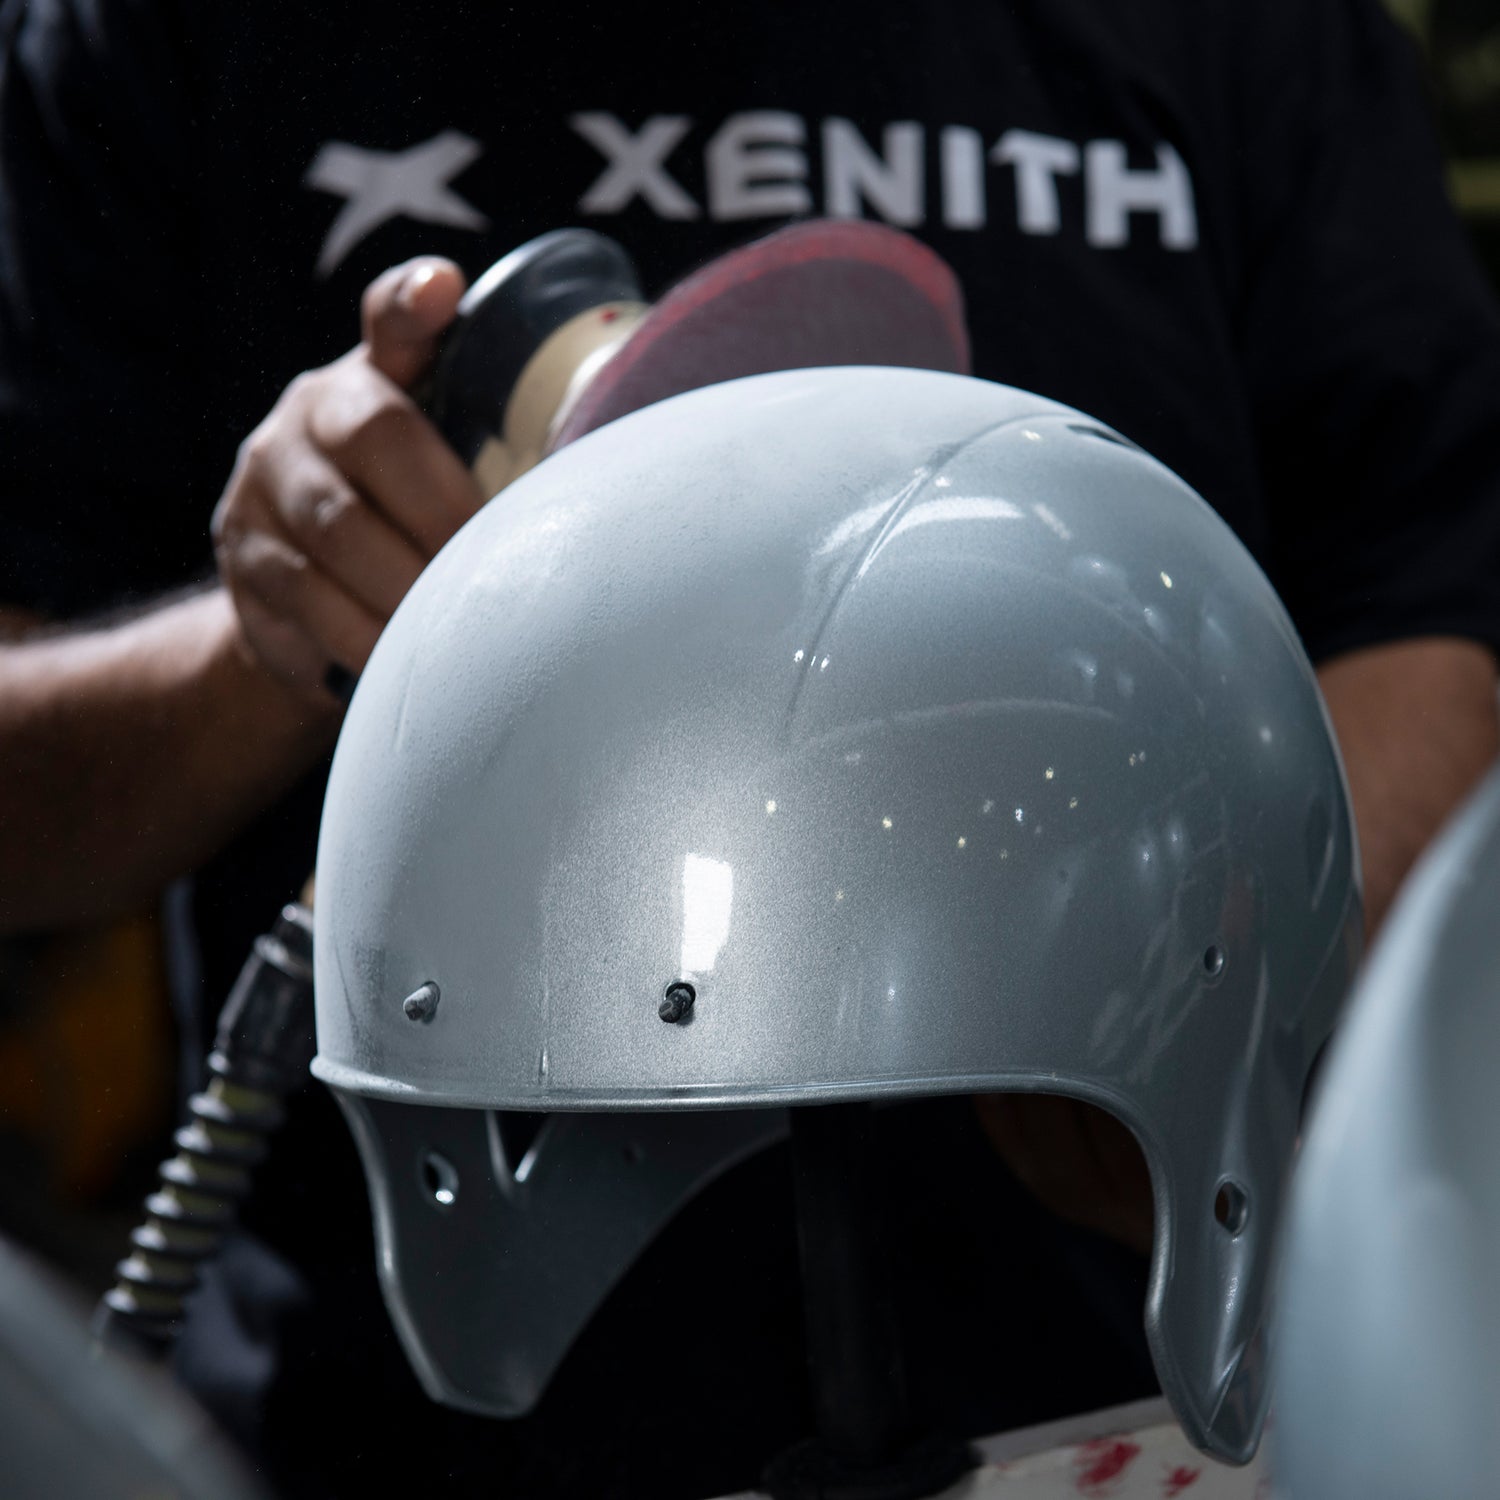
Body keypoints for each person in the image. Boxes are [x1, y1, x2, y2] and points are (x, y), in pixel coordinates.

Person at [1, 0, 1498, 1493]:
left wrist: (1215, 1004)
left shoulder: (1249, 38)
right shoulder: (156, 43)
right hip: (403, 1429)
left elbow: (1429, 605)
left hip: (1119, 1396)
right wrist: (275, 626)